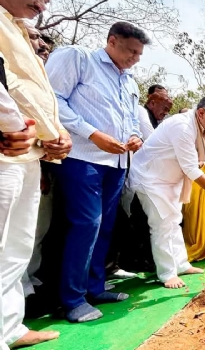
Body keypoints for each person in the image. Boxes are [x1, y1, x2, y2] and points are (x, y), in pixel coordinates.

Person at [45, 21, 149, 322]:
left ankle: (94, 286)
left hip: (116, 164)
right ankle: (71, 299)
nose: (134, 58)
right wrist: (91, 133)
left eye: (139, 54)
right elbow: (53, 100)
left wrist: (134, 136)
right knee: (86, 223)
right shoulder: (80, 59)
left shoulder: (129, 81)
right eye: (131, 51)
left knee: (104, 226)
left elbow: (131, 118)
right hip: (82, 158)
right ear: (112, 41)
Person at [0, 0, 72, 346]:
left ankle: (10, 327)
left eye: (45, 0)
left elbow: (31, 91)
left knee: (16, 247)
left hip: (28, 151)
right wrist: (12, 126)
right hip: (7, 148)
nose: (40, 6)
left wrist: (53, 136)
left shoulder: (16, 29)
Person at [129, 94, 205, 288]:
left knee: (174, 221)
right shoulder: (183, 127)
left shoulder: (201, 127)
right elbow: (191, 169)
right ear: (201, 112)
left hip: (170, 179)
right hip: (151, 178)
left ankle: (180, 264)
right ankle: (167, 273)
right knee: (162, 225)